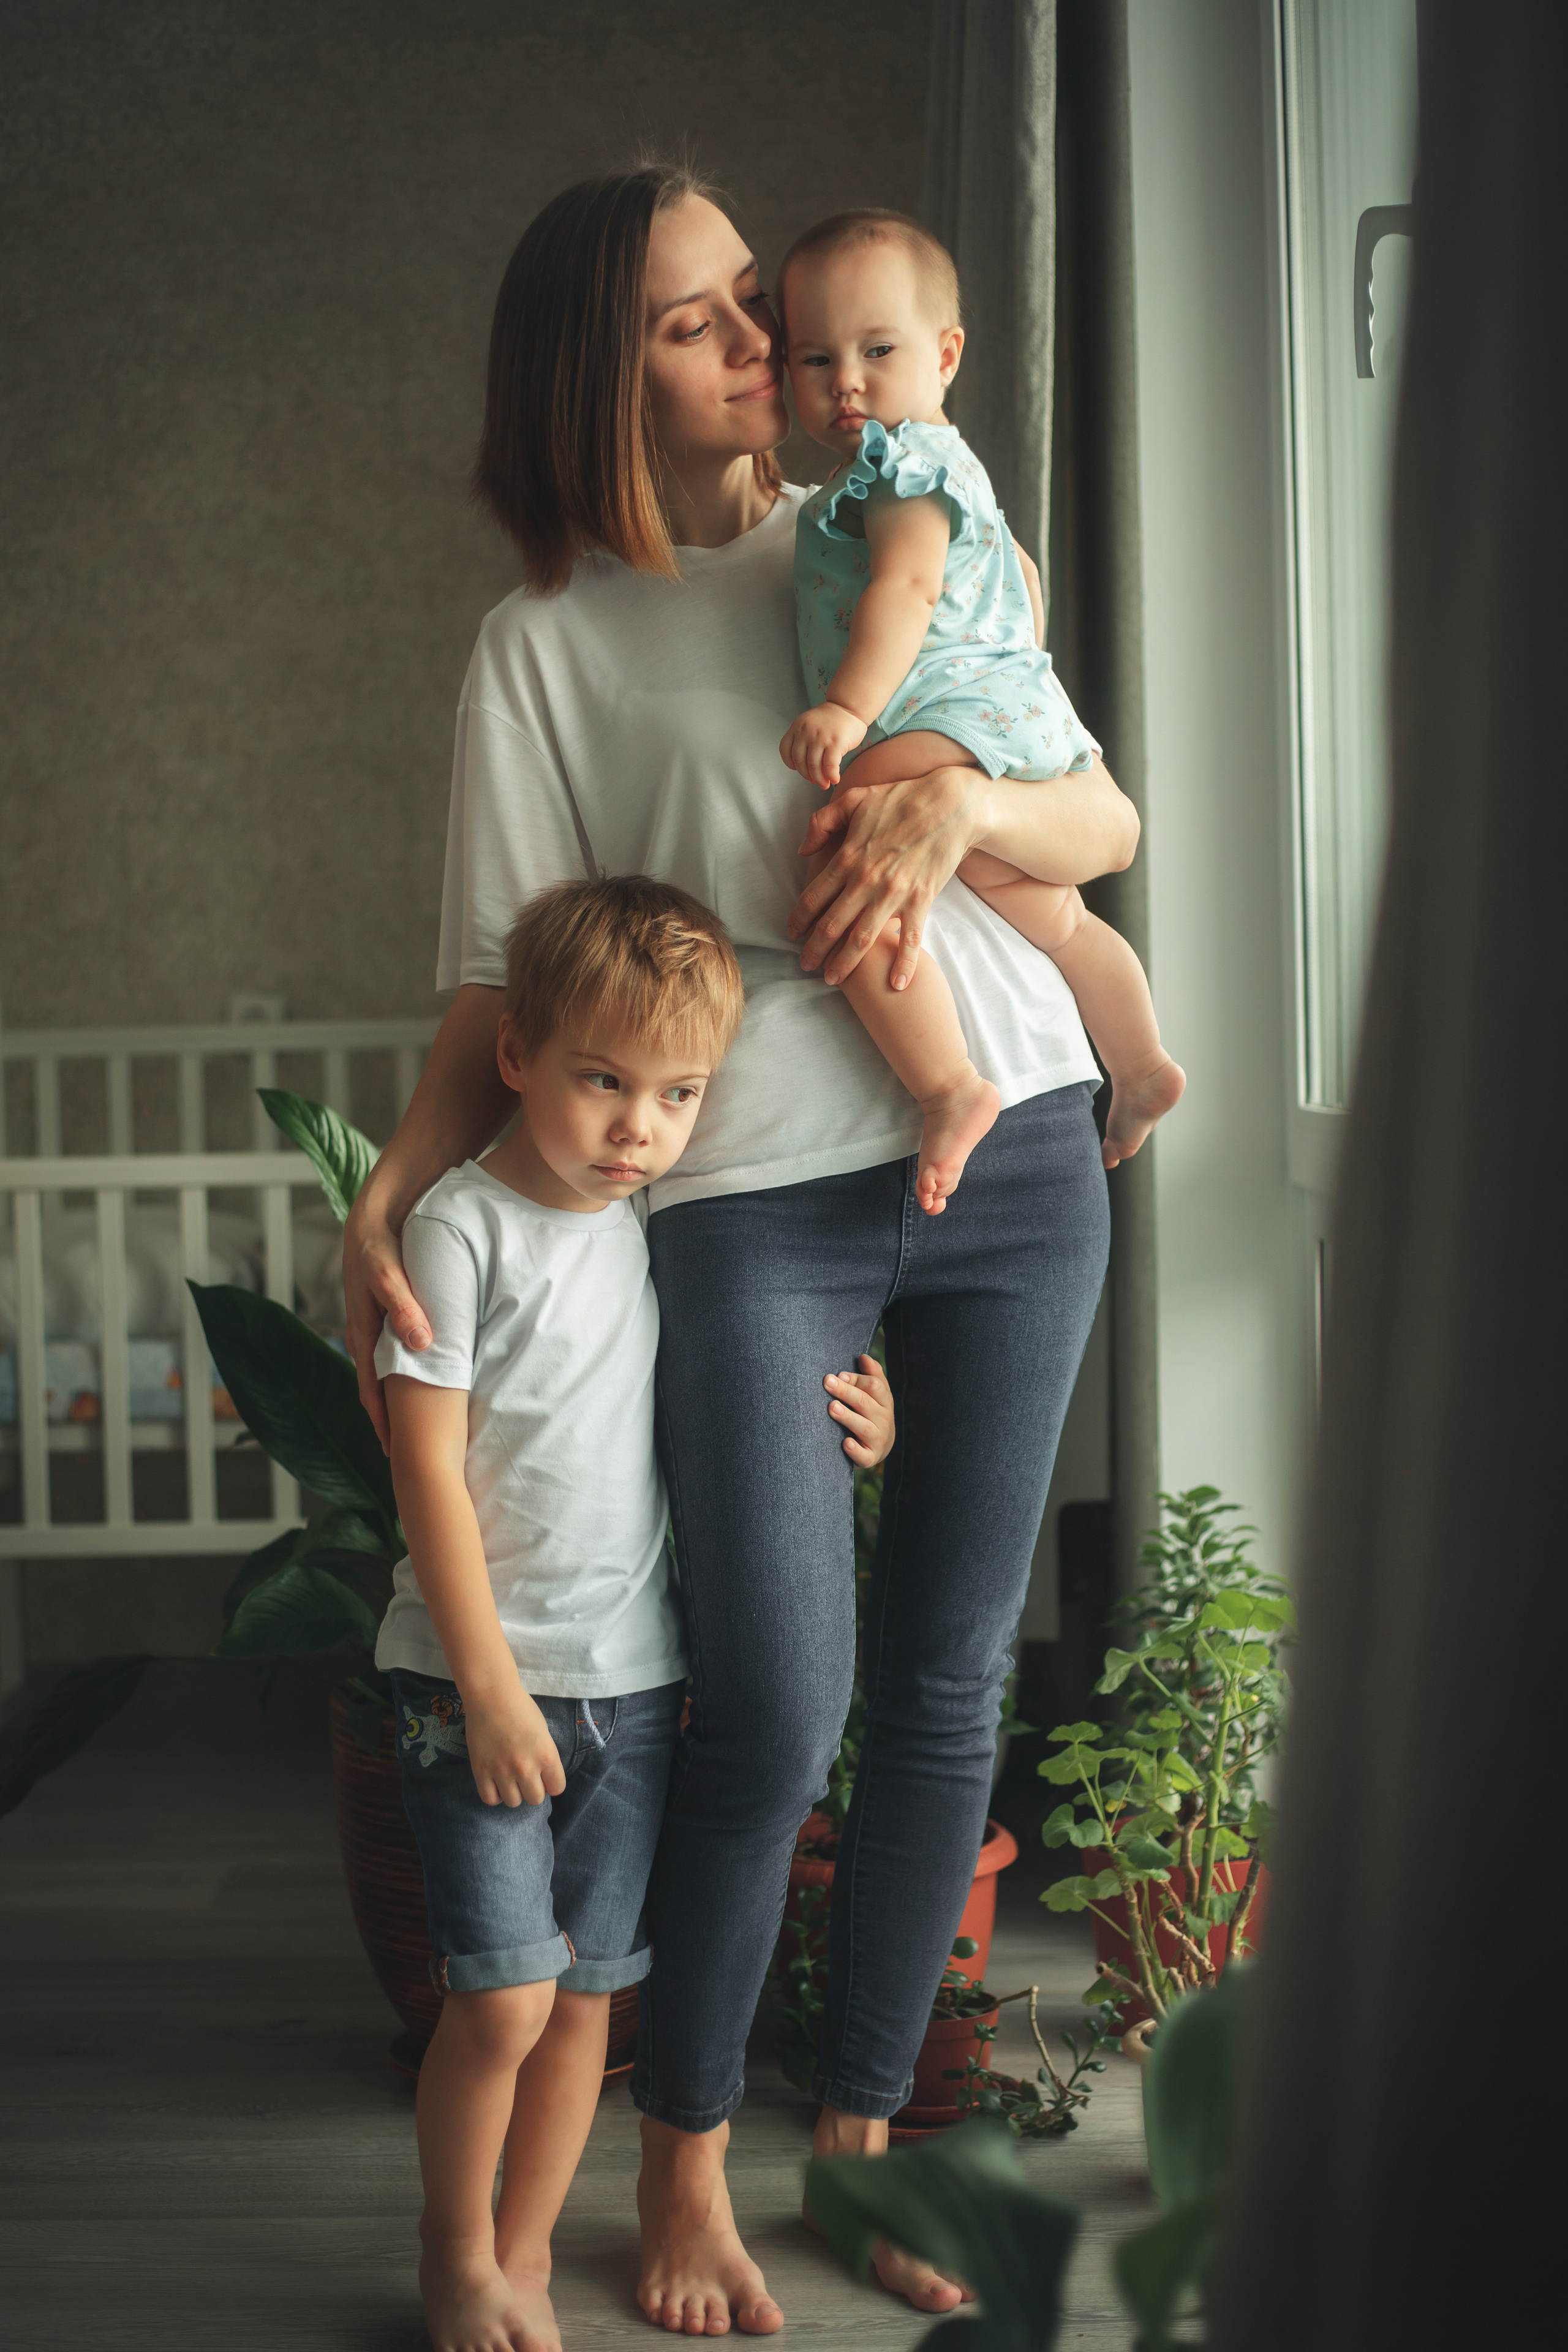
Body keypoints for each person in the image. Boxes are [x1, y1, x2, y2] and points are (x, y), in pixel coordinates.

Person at [345, 164, 1141, 2334]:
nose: (769, 357)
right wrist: (389, 1199)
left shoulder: (878, 537)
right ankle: (682, 2165)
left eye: (763, 319)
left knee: (952, 1681)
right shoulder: (544, 648)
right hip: (750, 1205)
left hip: (1022, 1150)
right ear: (610, 370)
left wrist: (962, 804)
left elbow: (1104, 817)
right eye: (709, 322)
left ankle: (867, 2143)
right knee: (778, 1704)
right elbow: (489, 1004)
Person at [377, 872, 897, 2352]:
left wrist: (861, 1419)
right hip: (475, 1686)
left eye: (676, 1095)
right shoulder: (460, 1230)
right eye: (604, 1082)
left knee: (589, 2001)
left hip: (632, 1689)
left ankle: (524, 2260)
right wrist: (480, 1684)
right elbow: (422, 1461)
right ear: (517, 1057)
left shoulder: (662, 1226)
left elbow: (750, 1374)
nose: (638, 1128)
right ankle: (451, 2254)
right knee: (501, 2001)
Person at [778, 208, 1184, 1213]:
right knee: (1055, 918)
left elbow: (907, 593)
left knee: (845, 874)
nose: (848, 384)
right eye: (815, 359)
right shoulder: (961, 472)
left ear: (947, 353)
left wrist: (844, 706)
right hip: (1013, 721)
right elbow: (1018, 596)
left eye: (879, 350)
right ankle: (1138, 1062)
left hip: (937, 716)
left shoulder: (900, 465)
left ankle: (949, 1086)